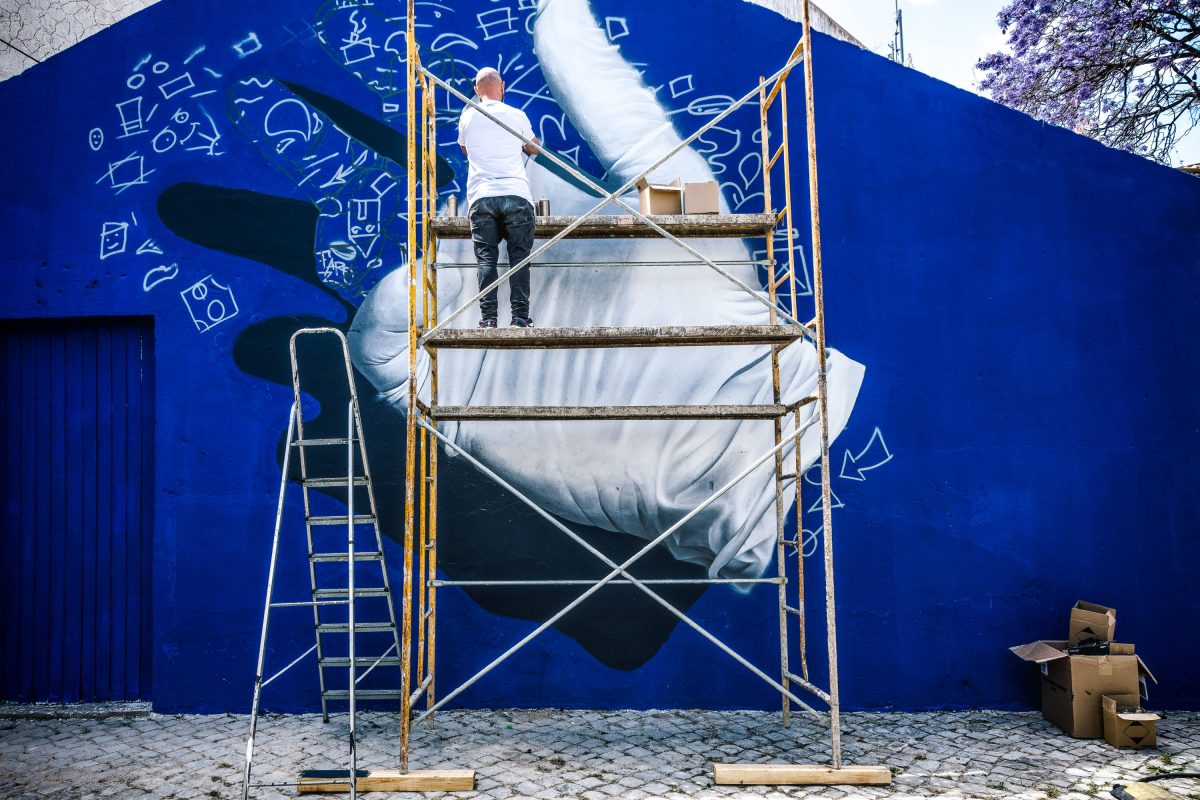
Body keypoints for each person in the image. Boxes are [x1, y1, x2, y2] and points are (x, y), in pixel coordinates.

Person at [457, 66, 541, 328]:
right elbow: (534, 148)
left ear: (476, 90)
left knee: (486, 260)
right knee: (519, 259)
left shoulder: (467, 117)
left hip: (482, 197)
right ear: (502, 87)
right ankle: (520, 318)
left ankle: (488, 319)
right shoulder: (516, 115)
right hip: (516, 195)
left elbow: (465, 150)